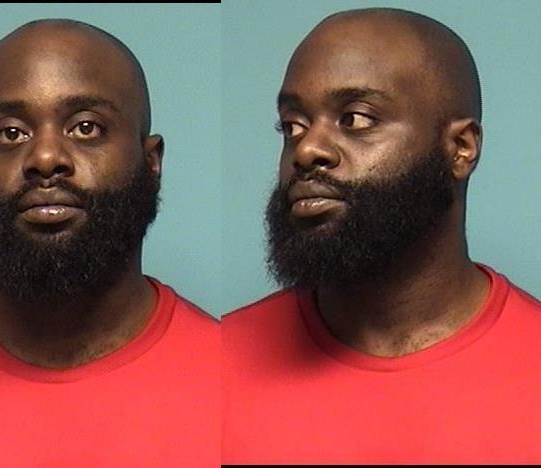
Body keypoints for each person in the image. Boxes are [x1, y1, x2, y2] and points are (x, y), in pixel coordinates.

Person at [222, 7, 541, 464]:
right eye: (293, 125)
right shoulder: (217, 363)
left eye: (355, 119)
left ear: (460, 149)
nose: (307, 149)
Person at [0, 19, 219, 466]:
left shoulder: (229, 378)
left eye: (86, 127)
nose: (45, 157)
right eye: (11, 133)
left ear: (151, 162)